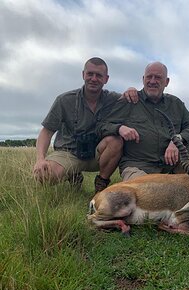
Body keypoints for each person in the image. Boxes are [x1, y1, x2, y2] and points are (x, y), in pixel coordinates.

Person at [33, 57, 138, 192]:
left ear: (106, 79)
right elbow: (46, 132)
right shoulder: (64, 100)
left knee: (115, 141)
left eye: (99, 75)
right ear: (83, 75)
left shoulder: (113, 99)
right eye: (90, 74)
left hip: (97, 154)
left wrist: (131, 89)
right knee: (43, 175)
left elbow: (129, 98)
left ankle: (101, 185)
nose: (94, 79)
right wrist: (40, 159)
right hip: (69, 153)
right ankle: (73, 175)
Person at [97, 61, 189, 181]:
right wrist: (119, 128)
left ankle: (174, 179)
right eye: (149, 77)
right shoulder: (129, 100)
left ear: (166, 82)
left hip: (167, 164)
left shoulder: (175, 103)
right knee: (145, 193)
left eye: (158, 77)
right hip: (137, 166)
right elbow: (103, 125)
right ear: (143, 79)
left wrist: (176, 140)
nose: (152, 81)